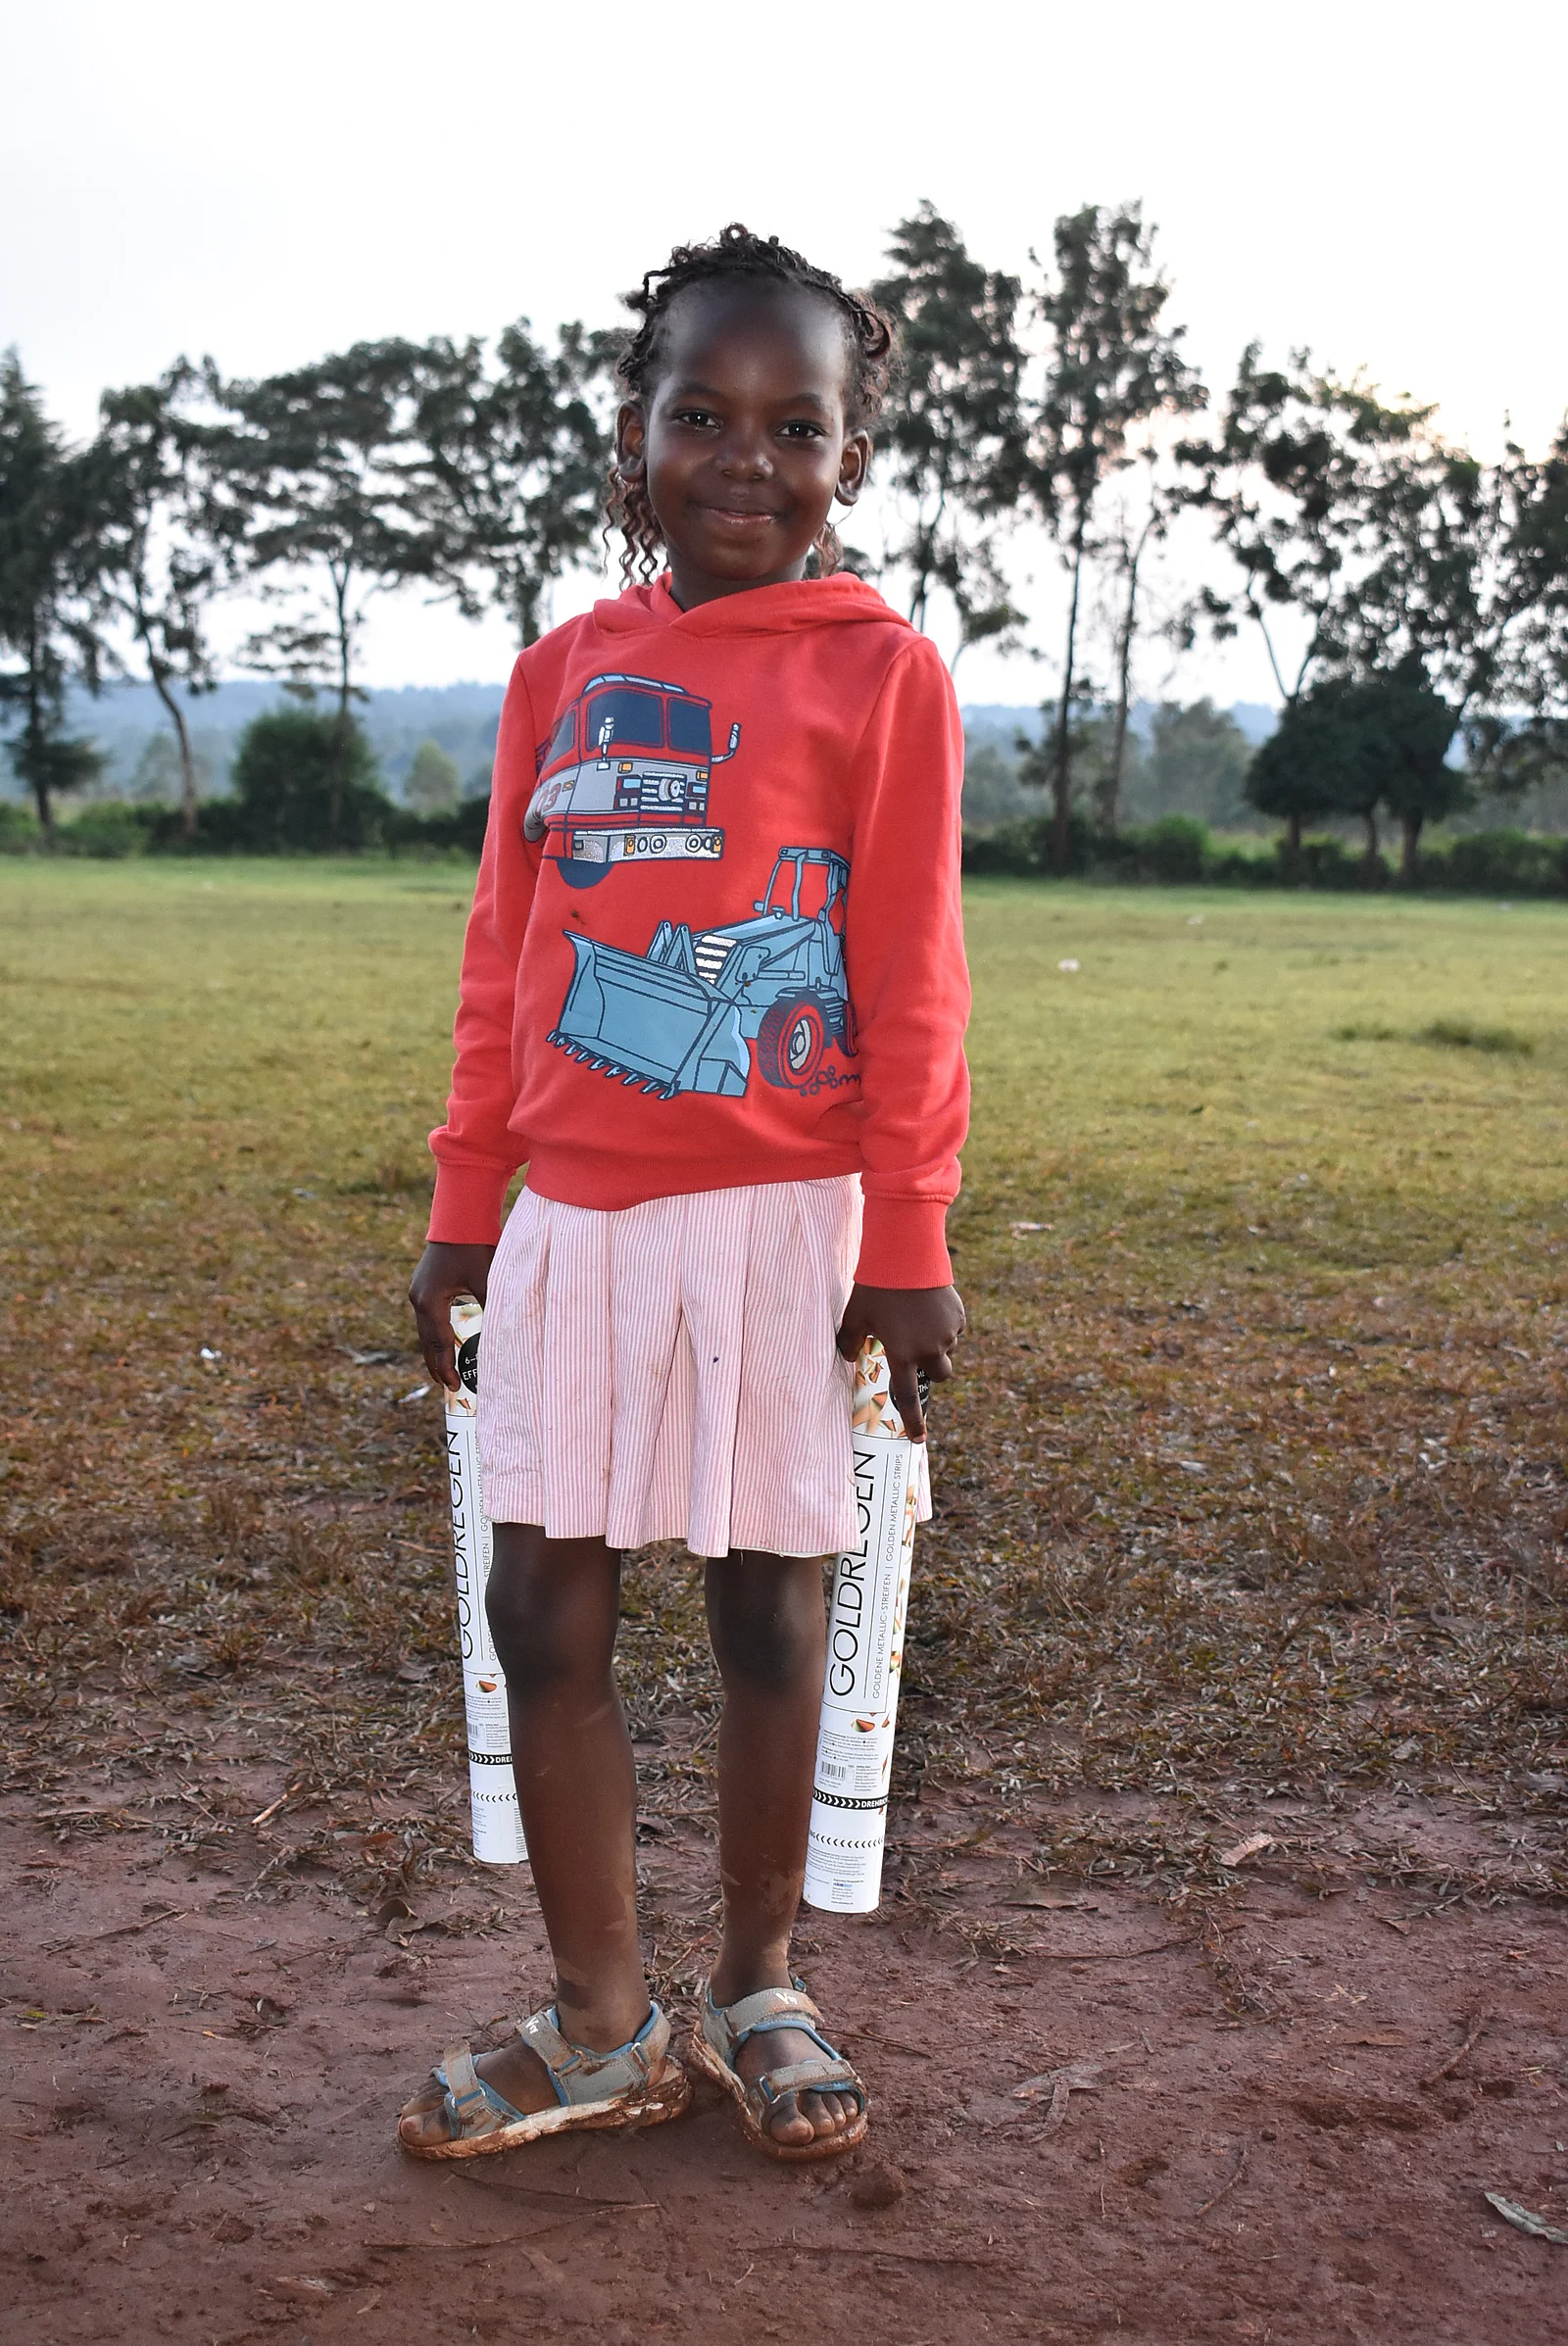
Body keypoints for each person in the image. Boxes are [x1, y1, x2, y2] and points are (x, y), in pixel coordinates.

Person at [397, 225, 969, 2165]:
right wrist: (464, 1206)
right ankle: (597, 2019)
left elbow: (910, 977)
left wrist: (907, 1240)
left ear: (848, 458)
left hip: (782, 1222)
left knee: (768, 1617)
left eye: (794, 426)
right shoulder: (561, 676)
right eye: (700, 416)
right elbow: (506, 958)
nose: (747, 458)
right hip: (573, 1215)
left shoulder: (881, 677)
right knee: (539, 1606)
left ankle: (757, 1981)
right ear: (631, 443)